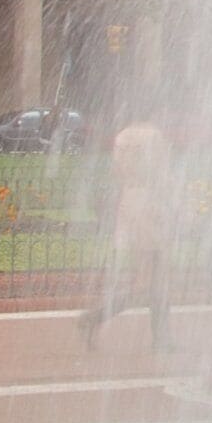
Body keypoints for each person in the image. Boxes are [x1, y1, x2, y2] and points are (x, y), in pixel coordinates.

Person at [82, 117, 175, 348]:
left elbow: (116, 172)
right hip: (150, 204)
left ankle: (161, 337)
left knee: (154, 278)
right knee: (152, 279)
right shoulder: (153, 134)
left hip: (129, 201)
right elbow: (161, 173)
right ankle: (95, 317)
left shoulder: (123, 136)